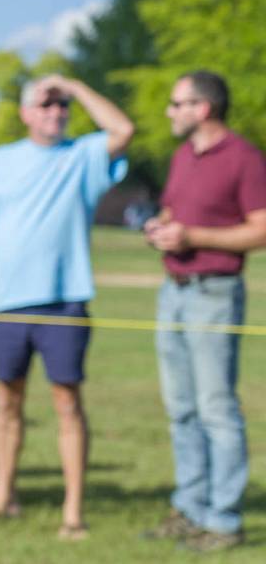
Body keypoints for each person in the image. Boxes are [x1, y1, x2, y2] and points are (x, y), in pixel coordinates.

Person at [0, 74, 133, 540]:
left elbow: (123, 131)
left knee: (67, 405)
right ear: (25, 113)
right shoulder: (0, 160)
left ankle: (73, 512)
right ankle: (2, 498)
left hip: (65, 302)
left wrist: (74, 85)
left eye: (63, 107)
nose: (56, 112)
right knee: (7, 403)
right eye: (46, 104)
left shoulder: (83, 156)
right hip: (8, 306)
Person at [141, 71, 266, 553]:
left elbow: (260, 229)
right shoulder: (182, 156)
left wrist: (195, 238)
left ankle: (224, 520)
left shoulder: (244, 157)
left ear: (203, 108)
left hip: (215, 293)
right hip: (171, 291)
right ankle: (191, 509)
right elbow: (177, 213)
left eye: (177, 104)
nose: (170, 112)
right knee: (181, 410)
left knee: (216, 410)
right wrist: (164, 227)